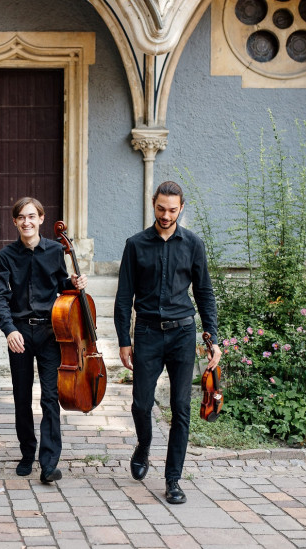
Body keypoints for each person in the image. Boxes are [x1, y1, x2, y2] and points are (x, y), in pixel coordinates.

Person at [114, 180, 220, 504]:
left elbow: (204, 293)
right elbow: (123, 297)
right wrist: (123, 340)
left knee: (181, 408)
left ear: (181, 208)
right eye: (161, 208)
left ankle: (173, 478)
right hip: (146, 332)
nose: (166, 214)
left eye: (172, 210)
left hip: (183, 334)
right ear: (153, 204)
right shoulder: (135, 244)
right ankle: (144, 446)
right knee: (141, 404)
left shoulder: (193, 244)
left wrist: (213, 338)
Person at [0, 197, 87, 484]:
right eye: (21, 217)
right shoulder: (6, 255)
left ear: (41, 218)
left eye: (32, 216)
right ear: (15, 222)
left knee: (50, 397)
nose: (27, 221)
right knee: (21, 397)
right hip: (20, 332)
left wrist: (74, 284)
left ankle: (48, 463)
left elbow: (61, 286)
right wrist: (9, 330)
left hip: (51, 333)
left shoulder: (57, 250)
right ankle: (26, 453)